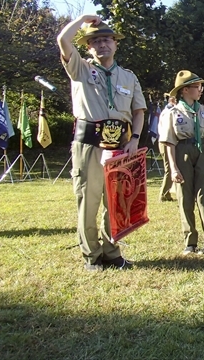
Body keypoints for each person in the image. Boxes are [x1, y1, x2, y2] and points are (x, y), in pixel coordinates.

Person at [57, 15, 146, 271]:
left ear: (116, 44)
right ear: (88, 47)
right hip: (90, 143)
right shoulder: (81, 69)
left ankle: (112, 251)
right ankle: (91, 256)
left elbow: (138, 111)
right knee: (89, 198)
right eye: (95, 41)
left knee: (116, 201)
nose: (102, 45)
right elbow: (63, 40)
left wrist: (135, 139)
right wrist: (83, 19)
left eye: (106, 39)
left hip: (121, 144)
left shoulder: (129, 77)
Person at [160, 71, 204, 255]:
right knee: (185, 199)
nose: (200, 90)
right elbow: (169, 143)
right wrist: (173, 168)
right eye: (197, 87)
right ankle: (190, 242)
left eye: (201, 86)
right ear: (185, 90)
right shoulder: (173, 113)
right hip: (182, 152)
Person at [158, 93, 177, 202]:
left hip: (167, 141)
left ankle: (167, 193)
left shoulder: (167, 111)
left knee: (170, 168)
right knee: (169, 169)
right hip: (166, 141)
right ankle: (163, 194)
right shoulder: (168, 112)